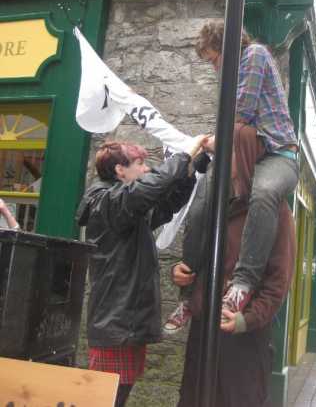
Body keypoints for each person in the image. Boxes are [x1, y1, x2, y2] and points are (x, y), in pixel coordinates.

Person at [164, 21, 298, 332]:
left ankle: (242, 285)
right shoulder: (233, 75)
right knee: (200, 208)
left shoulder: (253, 55)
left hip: (278, 155)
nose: (213, 68)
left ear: (227, 47)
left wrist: (209, 141)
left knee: (263, 194)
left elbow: (240, 114)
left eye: (213, 59)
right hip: (243, 154)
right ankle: (188, 294)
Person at [75, 138, 204, 407]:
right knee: (106, 400)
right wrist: (184, 155)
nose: (146, 169)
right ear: (120, 170)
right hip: (115, 324)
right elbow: (149, 187)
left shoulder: (126, 208)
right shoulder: (106, 202)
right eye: (140, 163)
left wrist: (197, 163)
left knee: (116, 398)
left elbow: (167, 204)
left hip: (126, 321)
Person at [174, 124, 296, 407]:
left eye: (229, 151)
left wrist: (245, 320)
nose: (221, 159)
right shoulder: (215, 205)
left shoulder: (275, 211)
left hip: (242, 341)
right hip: (203, 333)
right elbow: (200, 262)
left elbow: (278, 282)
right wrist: (181, 274)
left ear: (246, 156)